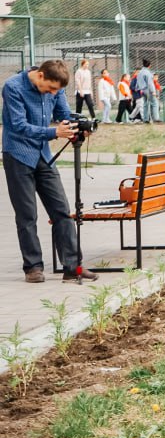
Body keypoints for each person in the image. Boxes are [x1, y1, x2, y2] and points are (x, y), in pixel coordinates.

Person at [2, 60, 100, 284]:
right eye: (51, 88)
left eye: (57, 90)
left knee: (62, 211)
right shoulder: (13, 87)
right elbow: (18, 125)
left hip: (43, 156)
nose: (53, 93)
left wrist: (79, 126)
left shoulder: (56, 87)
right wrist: (54, 132)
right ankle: (33, 267)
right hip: (18, 154)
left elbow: (64, 113)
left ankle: (72, 267)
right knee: (27, 215)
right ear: (40, 75)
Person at [133, 59, 155, 123]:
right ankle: (153, 118)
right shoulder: (147, 72)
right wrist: (153, 91)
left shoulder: (140, 72)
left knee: (145, 104)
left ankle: (146, 119)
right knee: (153, 103)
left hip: (142, 90)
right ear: (149, 65)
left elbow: (138, 81)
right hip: (148, 89)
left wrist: (137, 88)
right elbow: (150, 83)